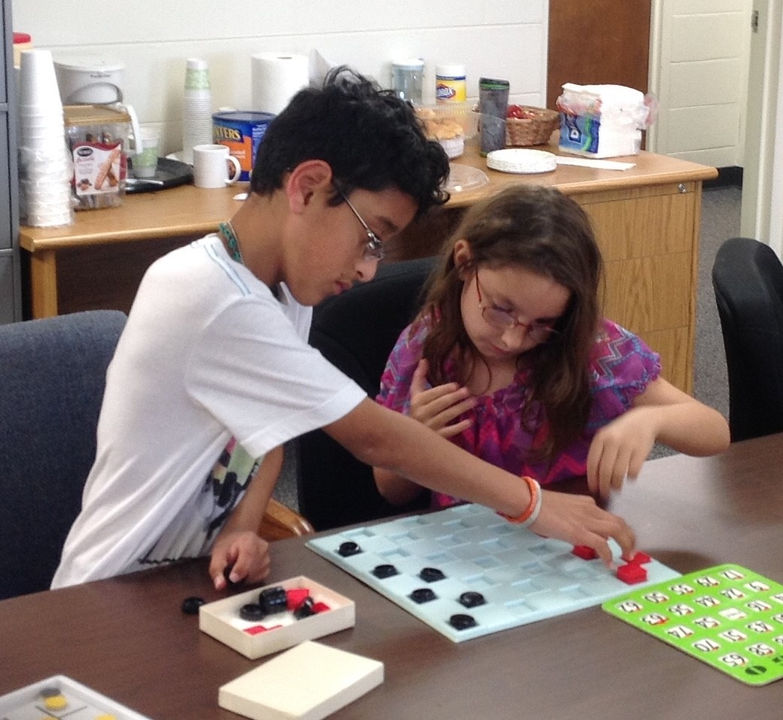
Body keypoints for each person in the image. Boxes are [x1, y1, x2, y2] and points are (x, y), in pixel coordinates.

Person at [52, 70, 636, 592]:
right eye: (370, 237)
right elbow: (376, 437)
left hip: (188, 581)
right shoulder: (212, 298)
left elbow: (271, 430)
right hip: (108, 593)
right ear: (307, 187)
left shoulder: (279, 285)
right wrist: (533, 505)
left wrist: (245, 523)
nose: (367, 269)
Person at [374, 184, 730, 510]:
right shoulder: (424, 347)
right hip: (463, 549)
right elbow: (390, 489)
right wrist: (416, 435)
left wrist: (653, 419)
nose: (512, 339)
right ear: (465, 262)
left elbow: (715, 433)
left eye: (543, 323)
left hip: (567, 541)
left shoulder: (593, 350)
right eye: (501, 309)